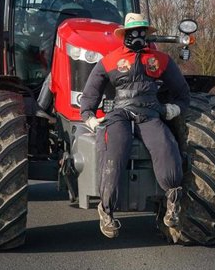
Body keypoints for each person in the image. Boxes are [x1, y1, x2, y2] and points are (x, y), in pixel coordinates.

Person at [79, 13, 190, 239]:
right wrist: (88, 116)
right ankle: (107, 210)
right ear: (125, 35)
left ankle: (172, 206)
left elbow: (182, 92)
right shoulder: (110, 60)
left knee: (166, 147)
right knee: (114, 149)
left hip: (150, 112)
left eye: (141, 31)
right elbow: (91, 91)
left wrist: (174, 108)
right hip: (120, 112)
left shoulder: (160, 60)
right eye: (133, 32)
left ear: (147, 34)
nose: (137, 35)